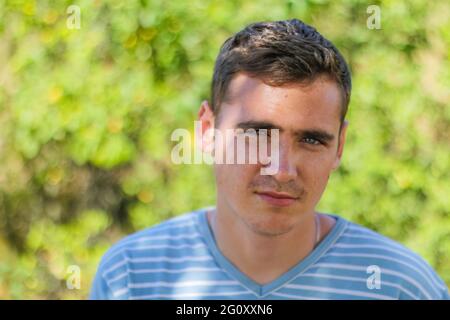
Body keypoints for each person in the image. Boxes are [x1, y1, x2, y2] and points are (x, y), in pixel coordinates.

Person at [90, 19, 449, 300]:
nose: (281, 169)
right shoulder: (131, 277)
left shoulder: (400, 285)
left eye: (311, 139)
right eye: (256, 135)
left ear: (339, 146)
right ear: (206, 130)